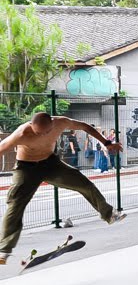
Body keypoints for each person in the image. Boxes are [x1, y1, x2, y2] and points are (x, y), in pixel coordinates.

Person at [0, 113, 126, 265]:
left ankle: (109, 214)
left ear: (52, 124)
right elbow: (2, 148)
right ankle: (4, 250)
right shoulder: (21, 133)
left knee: (84, 184)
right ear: (31, 126)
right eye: (38, 133)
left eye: (46, 132)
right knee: (16, 204)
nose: (42, 135)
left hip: (51, 164)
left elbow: (86, 127)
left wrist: (106, 143)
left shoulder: (61, 122)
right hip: (27, 169)